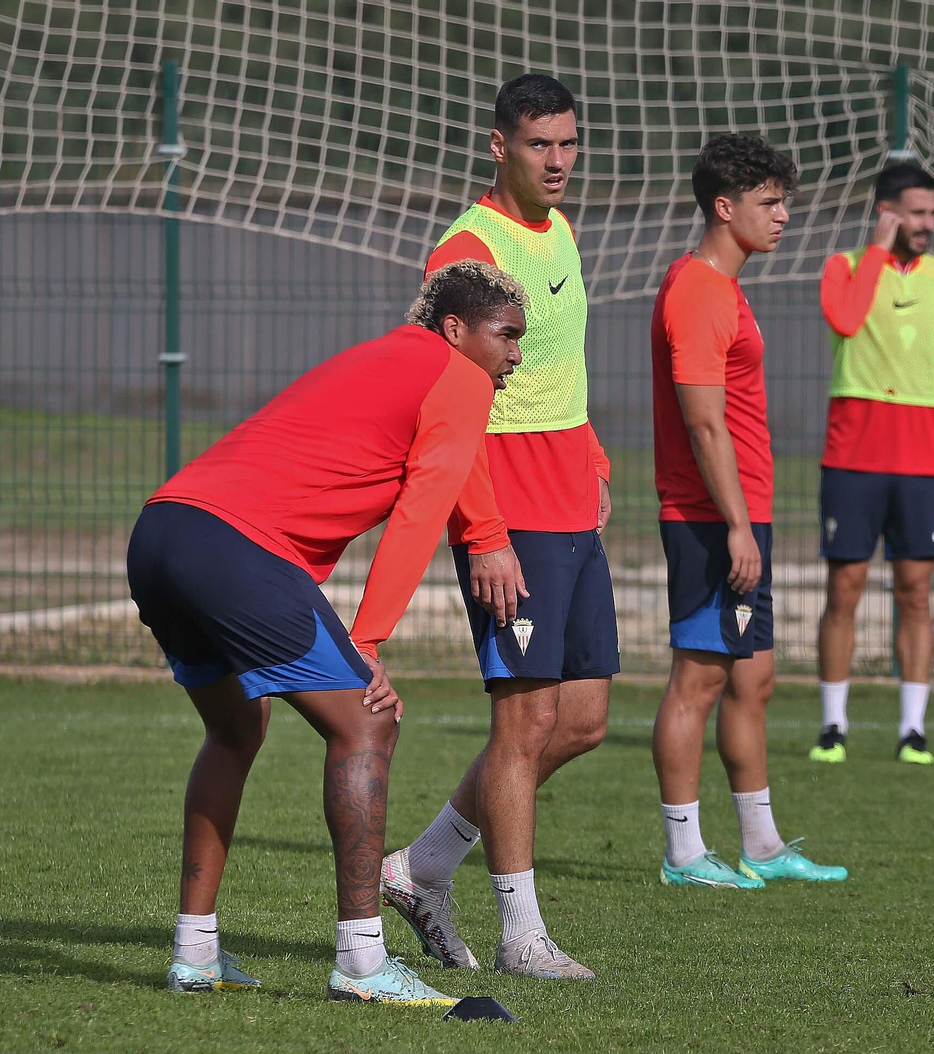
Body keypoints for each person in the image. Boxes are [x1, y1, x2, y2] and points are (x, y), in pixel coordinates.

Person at [126, 261, 525, 1005]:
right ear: (456, 330)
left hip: (161, 531)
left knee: (237, 731)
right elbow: (421, 514)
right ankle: (363, 964)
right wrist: (368, 643)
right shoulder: (461, 380)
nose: (516, 355)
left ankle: (194, 954)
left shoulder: (388, 358)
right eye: (506, 335)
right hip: (232, 546)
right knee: (368, 725)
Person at [380, 73, 614, 981]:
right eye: (538, 145)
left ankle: (424, 864)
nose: (557, 162)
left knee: (583, 721)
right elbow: (452, 399)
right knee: (523, 723)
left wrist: (591, 450)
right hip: (507, 498)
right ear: (498, 146)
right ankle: (523, 937)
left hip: (569, 489)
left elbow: (561, 359)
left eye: (567, 143)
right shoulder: (466, 252)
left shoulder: (560, 231)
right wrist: (483, 531)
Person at [647, 134, 849, 889]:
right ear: (724, 207)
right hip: (708, 517)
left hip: (740, 512)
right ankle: (684, 853)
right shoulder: (698, 292)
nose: (785, 215)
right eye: (770, 202)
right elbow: (703, 423)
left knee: (753, 677)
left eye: (784, 201)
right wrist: (734, 523)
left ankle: (761, 844)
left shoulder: (725, 287)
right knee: (696, 681)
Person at [809, 161, 934, 767]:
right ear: (885, 211)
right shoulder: (846, 268)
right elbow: (846, 319)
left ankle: (913, 729)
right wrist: (880, 251)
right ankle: (833, 726)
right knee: (846, 588)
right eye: (915, 212)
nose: (926, 223)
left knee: (916, 592)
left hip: (919, 463)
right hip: (853, 458)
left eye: (932, 213)